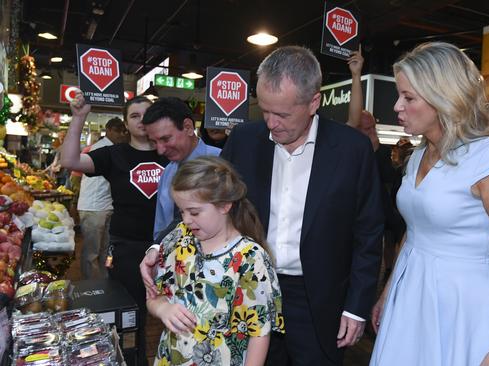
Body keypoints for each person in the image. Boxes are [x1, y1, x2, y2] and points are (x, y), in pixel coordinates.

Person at [141, 45, 383, 366]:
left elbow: (368, 233)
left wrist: (356, 307)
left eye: (282, 114)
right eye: (265, 110)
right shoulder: (244, 138)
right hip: (247, 289)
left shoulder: (352, 149)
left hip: (317, 298)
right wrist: (161, 247)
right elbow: (204, 203)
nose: (271, 123)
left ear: (314, 102)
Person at [369, 42, 489, 366]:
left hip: (465, 305)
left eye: (409, 97)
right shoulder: (418, 156)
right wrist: (389, 292)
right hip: (413, 294)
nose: (397, 106)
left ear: (443, 97)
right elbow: (415, 231)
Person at [60, 95, 168, 366]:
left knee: (179, 312)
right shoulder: (114, 154)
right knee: (133, 316)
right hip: (128, 248)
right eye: (135, 116)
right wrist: (78, 117)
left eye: (148, 114)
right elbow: (70, 161)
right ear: (126, 123)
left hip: (171, 247)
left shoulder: (170, 151)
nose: (142, 120)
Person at [147, 156, 284, 366]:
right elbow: (154, 296)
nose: (185, 220)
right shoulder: (180, 238)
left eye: (194, 212)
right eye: (181, 211)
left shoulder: (250, 258)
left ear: (224, 206)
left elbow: (259, 332)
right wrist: (163, 308)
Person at [345, 48, 401, 279]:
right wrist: (356, 76)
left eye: (372, 127)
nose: (370, 131)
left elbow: (389, 177)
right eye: (365, 127)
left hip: (380, 214)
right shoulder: (350, 146)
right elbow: (353, 118)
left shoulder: (381, 150)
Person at [141, 97, 222, 243]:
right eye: (154, 142)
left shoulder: (222, 162)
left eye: (166, 139)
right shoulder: (168, 172)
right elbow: (160, 227)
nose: (160, 150)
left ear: (188, 127)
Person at [77, 117, 129, 279]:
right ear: (110, 130)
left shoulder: (112, 148)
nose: (122, 135)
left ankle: (103, 283)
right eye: (120, 132)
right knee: (92, 252)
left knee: (104, 251)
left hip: (104, 206)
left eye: (124, 132)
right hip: (93, 207)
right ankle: (91, 286)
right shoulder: (102, 149)